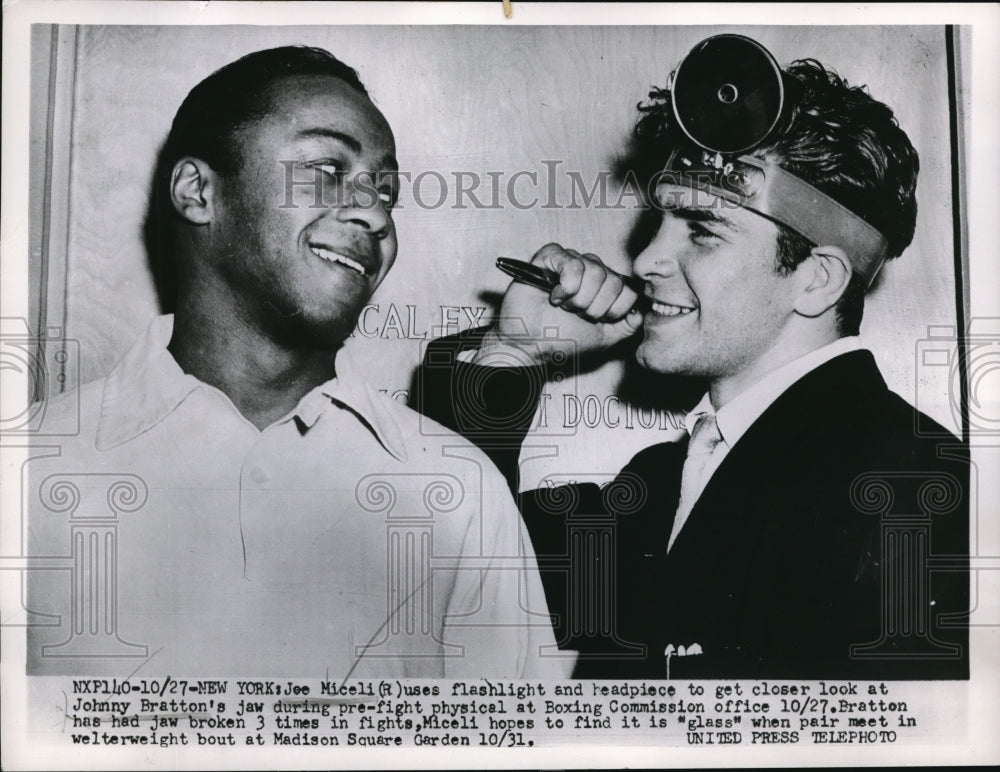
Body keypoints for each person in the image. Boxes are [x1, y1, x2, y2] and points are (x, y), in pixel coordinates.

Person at [413, 42, 969, 679]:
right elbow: (443, 583)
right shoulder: (656, 483)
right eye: (660, 223)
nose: (647, 258)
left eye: (701, 229)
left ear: (816, 281)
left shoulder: (913, 493)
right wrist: (511, 353)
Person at [25, 46, 562, 679]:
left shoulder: (462, 496)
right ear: (197, 191)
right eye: (328, 167)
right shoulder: (27, 473)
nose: (376, 213)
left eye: (386, 191)